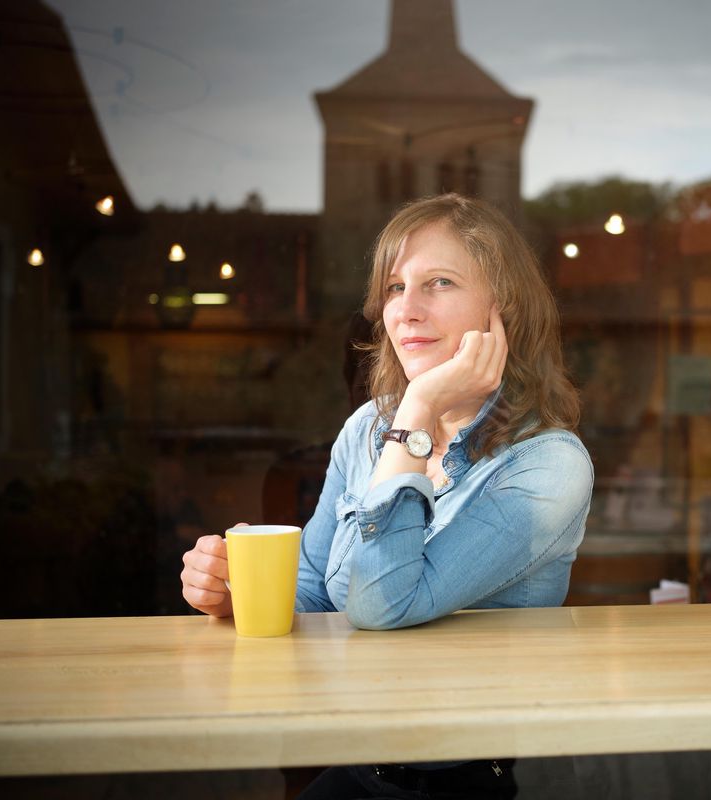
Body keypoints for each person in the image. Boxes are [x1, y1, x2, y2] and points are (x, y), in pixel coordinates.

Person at [179, 193, 594, 798]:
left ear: (501, 306)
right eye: (396, 288)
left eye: (440, 283)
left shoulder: (548, 465)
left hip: (465, 780)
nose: (406, 310)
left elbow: (381, 605)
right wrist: (236, 591)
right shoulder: (370, 429)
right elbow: (318, 589)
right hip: (361, 763)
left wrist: (420, 410)